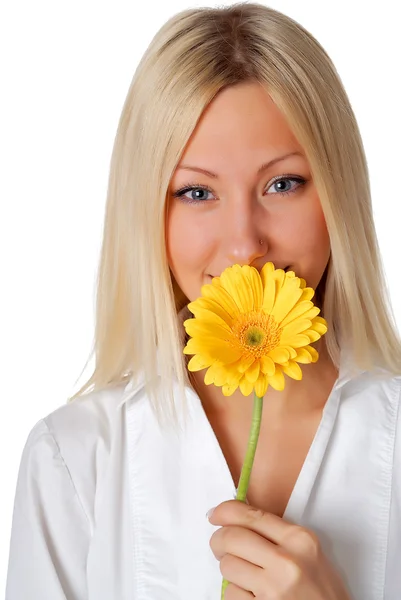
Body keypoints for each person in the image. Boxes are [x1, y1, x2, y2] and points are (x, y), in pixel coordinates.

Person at [5, 2, 401, 599]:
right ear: (147, 215)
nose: (245, 244)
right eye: (195, 192)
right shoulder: (73, 459)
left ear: (338, 194)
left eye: (283, 184)